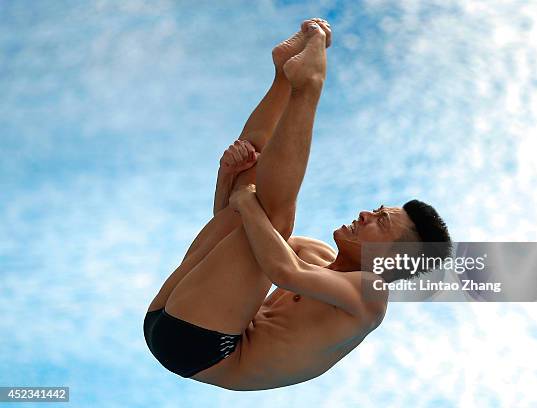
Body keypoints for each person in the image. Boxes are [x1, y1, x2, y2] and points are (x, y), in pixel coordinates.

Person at [143, 18, 451, 391]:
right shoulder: (315, 252)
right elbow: (234, 240)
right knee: (255, 195)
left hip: (205, 348)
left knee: (271, 217)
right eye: (378, 208)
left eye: (381, 222)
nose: (366, 213)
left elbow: (284, 271)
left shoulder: (369, 296)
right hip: (170, 313)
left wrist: (248, 203)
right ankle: (282, 78)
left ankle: (308, 88)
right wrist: (229, 177)